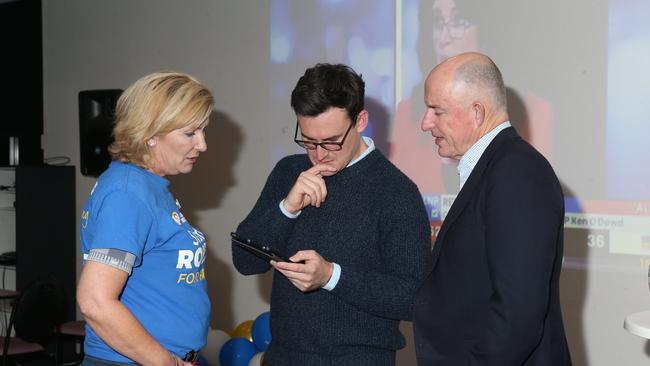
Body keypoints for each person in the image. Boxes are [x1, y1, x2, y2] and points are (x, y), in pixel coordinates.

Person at [232, 63, 431, 365]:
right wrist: (287, 209)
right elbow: (244, 261)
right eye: (309, 141)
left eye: (331, 141)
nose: (320, 154)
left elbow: (413, 299)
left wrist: (330, 276)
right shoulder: (289, 171)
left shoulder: (397, 193)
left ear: (361, 120)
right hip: (282, 356)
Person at [412, 52, 571, 365]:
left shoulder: (517, 173)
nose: (425, 122)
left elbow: (517, 314)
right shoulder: (499, 167)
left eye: (437, 111)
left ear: (477, 112)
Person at [77, 71, 214, 366]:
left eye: (204, 131)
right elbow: (95, 301)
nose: (202, 145)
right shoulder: (128, 193)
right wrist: (163, 361)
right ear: (150, 134)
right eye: (190, 133)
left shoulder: (147, 186)